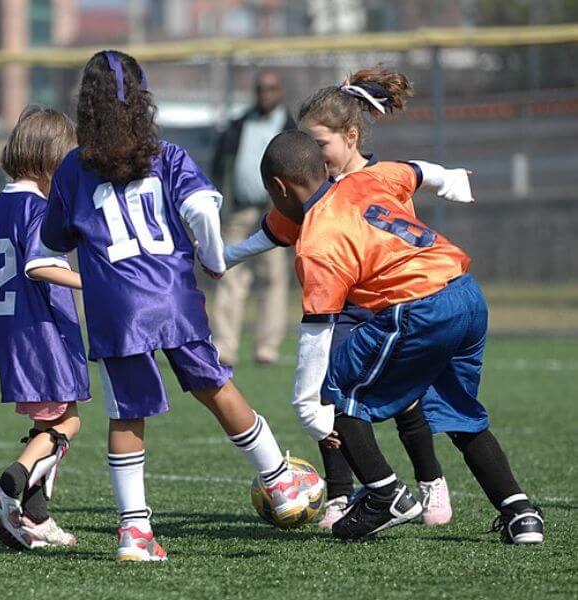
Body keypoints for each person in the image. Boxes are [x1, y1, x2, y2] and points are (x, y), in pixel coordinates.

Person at [38, 51, 320, 562]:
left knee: (127, 416)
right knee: (215, 385)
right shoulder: (167, 155)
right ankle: (279, 481)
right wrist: (213, 259)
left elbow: (53, 238)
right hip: (172, 297)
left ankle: (135, 532)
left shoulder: (73, 170)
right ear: (144, 99)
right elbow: (200, 209)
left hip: (115, 307)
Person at [255, 129, 543, 543]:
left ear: (279, 188)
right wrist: (451, 180)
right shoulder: (364, 179)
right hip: (466, 295)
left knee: (338, 385)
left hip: (417, 307)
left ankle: (384, 494)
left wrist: (307, 407)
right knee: (457, 409)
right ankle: (519, 511)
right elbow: (416, 171)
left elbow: (317, 335)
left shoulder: (317, 240)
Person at [223, 69, 453, 529]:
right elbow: (277, 229)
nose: (312, 153)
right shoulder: (314, 188)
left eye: (319, 143)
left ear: (349, 137)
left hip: (388, 303)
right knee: (333, 394)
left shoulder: (376, 179)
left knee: (404, 398)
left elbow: (420, 180)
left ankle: (430, 481)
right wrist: (225, 257)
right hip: (339, 306)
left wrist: (451, 182)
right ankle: (344, 494)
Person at [0, 106, 88, 550]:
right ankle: (5, 488)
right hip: (43, 334)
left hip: (9, 334)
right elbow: (38, 265)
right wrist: (95, 282)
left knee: (49, 424)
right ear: (51, 163)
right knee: (68, 423)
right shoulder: (37, 209)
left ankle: (36, 517)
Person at [209, 69, 296, 366]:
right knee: (230, 274)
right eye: (260, 89)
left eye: (271, 88)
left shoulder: (290, 127)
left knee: (272, 278)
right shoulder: (238, 124)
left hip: (276, 212)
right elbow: (219, 166)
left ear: (280, 91)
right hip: (240, 210)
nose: (265, 94)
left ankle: (267, 348)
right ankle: (224, 347)